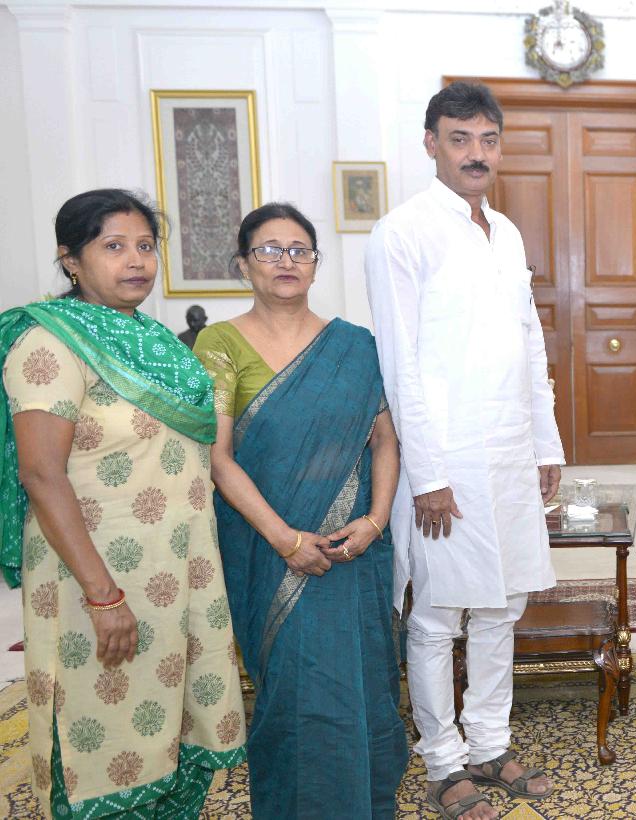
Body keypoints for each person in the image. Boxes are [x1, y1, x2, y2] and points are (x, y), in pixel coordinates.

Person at [0, 189, 246, 816]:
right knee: (102, 743)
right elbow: (41, 475)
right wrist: (103, 595)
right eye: (113, 246)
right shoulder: (49, 343)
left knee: (174, 731)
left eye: (145, 245)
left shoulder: (155, 342)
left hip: (178, 572)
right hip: (98, 580)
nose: (136, 260)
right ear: (71, 259)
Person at [364, 81, 564, 820]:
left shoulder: (504, 232)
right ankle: (444, 763)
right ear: (431, 144)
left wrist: (545, 442)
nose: (476, 154)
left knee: (502, 607)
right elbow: (400, 363)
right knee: (438, 616)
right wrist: (428, 475)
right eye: (460, 139)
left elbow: (529, 342)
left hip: (510, 453)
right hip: (444, 460)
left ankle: (490, 744)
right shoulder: (402, 232)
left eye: (487, 140)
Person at [192, 203, 407, 818]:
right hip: (267, 546)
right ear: (243, 264)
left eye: (299, 250)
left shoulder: (355, 346)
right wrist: (286, 539)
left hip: (352, 549)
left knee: (361, 683)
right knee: (291, 690)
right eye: (269, 250)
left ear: (315, 263)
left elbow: (385, 440)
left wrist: (375, 520)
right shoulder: (219, 343)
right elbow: (219, 457)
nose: (286, 261)